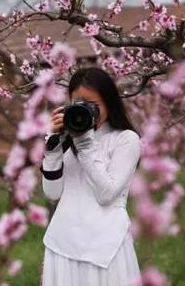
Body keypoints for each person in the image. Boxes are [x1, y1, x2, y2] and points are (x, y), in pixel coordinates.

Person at [39, 67, 142, 286]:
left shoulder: (125, 139)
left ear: (109, 103)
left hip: (105, 248)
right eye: (78, 104)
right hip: (63, 244)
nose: (85, 110)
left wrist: (85, 144)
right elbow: (52, 193)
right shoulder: (65, 139)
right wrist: (52, 150)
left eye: (93, 105)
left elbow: (106, 195)